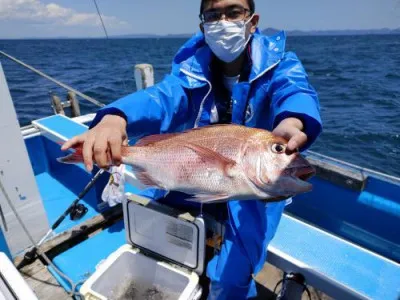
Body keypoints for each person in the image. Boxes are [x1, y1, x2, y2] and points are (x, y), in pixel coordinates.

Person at [62, 0, 322, 298]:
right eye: (214, 14)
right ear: (202, 25)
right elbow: (162, 97)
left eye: (234, 11)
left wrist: (294, 120)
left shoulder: (281, 64)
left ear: (253, 20)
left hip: (257, 193)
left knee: (234, 274)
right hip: (190, 174)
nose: (223, 21)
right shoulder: (190, 70)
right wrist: (116, 117)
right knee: (152, 236)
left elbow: (295, 89)